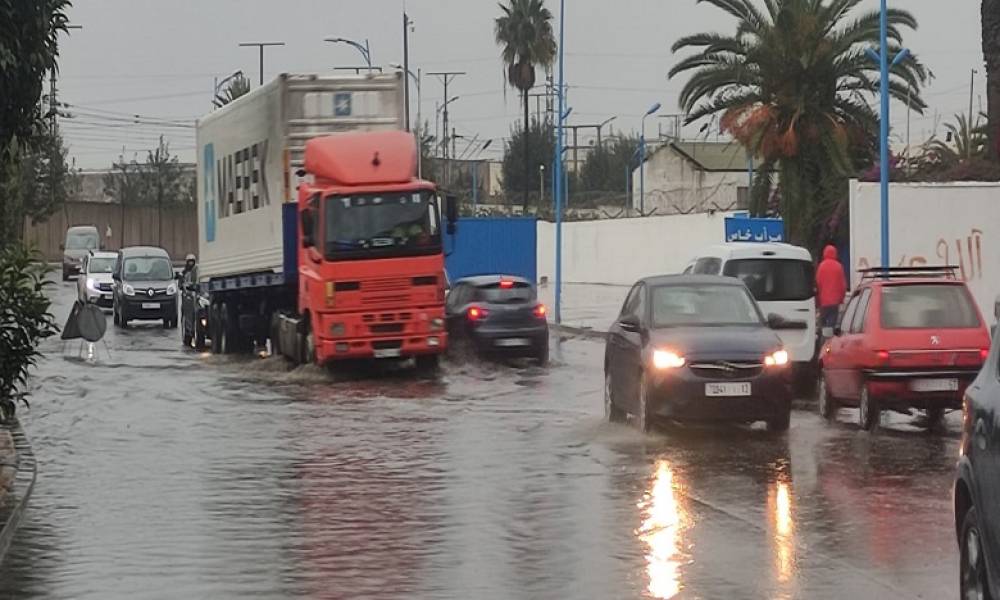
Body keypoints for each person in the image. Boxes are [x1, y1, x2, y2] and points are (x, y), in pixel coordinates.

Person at [816, 245, 847, 328]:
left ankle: (822, 338)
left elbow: (818, 283)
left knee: (822, 325)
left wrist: (818, 299)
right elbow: (843, 286)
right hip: (834, 303)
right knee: (831, 325)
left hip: (823, 303)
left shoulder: (821, 266)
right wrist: (841, 299)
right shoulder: (839, 267)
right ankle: (829, 338)